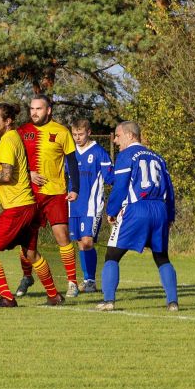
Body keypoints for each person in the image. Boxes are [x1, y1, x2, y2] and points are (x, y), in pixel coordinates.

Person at [0, 103, 63, 308]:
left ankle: (7, 297)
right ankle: (54, 296)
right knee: (31, 254)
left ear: (7, 122)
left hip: (17, 208)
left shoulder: (8, 141)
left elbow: (6, 175)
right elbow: (18, 174)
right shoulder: (14, 137)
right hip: (28, 205)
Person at [97, 121, 178, 312]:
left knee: (112, 255)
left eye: (118, 136)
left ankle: (108, 301)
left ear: (130, 135)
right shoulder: (158, 157)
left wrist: (112, 211)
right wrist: (171, 216)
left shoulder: (126, 155)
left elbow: (120, 186)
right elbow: (170, 190)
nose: (116, 141)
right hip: (160, 209)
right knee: (161, 257)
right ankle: (173, 302)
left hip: (137, 209)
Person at [14, 94, 81, 298]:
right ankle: (27, 276)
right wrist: (28, 174)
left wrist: (74, 188)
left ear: (48, 110)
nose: (34, 112)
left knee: (62, 236)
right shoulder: (21, 132)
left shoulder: (62, 132)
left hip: (55, 194)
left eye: (39, 109)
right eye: (32, 109)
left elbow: (72, 162)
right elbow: (13, 162)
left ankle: (72, 282)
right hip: (29, 194)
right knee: (26, 240)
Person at [68, 118, 114, 293]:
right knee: (80, 242)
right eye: (74, 135)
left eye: (80, 134)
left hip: (92, 206)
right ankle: (88, 280)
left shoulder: (99, 153)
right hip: (74, 205)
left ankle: (90, 280)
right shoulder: (70, 153)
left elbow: (111, 178)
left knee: (87, 241)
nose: (77, 138)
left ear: (88, 132)